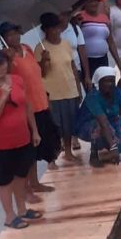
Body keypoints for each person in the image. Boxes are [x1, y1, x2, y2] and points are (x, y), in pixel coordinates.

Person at [0, 50, 42, 229]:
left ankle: (22, 210)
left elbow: (27, 106)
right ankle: (9, 216)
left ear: (7, 63)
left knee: (21, 176)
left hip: (22, 137)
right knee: (5, 181)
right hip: (1, 144)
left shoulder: (17, 80)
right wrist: (3, 97)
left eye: (1, 63)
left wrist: (35, 131)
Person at [0, 22, 60, 204]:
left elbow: (39, 73)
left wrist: (45, 60)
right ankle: (25, 191)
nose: (14, 37)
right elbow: (6, 79)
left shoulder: (27, 48)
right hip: (25, 109)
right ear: (3, 39)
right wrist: (8, 61)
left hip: (40, 102)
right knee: (27, 153)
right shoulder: (4, 57)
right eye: (9, 35)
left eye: (16, 33)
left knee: (40, 146)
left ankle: (35, 183)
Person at [34, 13, 82, 163]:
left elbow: (73, 66)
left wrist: (78, 88)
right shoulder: (40, 48)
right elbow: (40, 73)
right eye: (50, 29)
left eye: (56, 28)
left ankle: (68, 152)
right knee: (54, 128)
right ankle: (52, 159)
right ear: (45, 30)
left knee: (69, 125)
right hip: (52, 93)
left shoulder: (66, 44)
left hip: (69, 89)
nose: (55, 31)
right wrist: (43, 60)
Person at [79, 0, 121, 77]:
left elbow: (110, 41)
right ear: (85, 3)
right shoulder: (80, 17)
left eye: (96, 1)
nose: (94, 4)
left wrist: (119, 63)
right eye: (91, 1)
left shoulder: (104, 17)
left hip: (103, 59)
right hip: (87, 61)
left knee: (105, 83)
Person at [59, 11, 92, 92]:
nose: (66, 17)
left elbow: (82, 52)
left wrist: (87, 75)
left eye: (67, 14)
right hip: (61, 72)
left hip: (77, 70)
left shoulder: (75, 28)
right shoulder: (52, 31)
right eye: (63, 14)